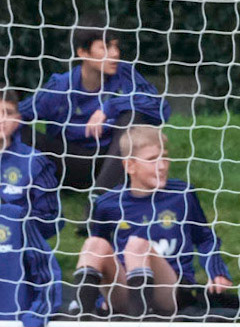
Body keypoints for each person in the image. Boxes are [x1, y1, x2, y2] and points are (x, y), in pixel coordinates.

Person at [72, 126, 231, 318]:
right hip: (126, 289)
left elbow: (205, 238)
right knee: (94, 244)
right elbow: (101, 254)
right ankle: (81, 321)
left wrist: (216, 271)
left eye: (164, 157)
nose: (162, 166)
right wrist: (101, 299)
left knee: (137, 246)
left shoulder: (181, 195)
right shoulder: (108, 204)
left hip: (172, 291)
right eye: (152, 159)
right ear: (130, 166)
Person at [18, 14, 170, 193]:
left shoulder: (124, 74)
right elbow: (17, 114)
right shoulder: (60, 86)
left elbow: (161, 108)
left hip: (111, 164)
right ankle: (19, 188)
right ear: (83, 52)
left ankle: (100, 198)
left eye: (116, 46)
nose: (115, 53)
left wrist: (111, 107)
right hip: (67, 163)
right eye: (105, 47)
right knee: (16, 129)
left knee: (132, 116)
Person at [0, 89, 62, 326]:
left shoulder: (33, 161)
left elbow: (53, 217)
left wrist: (17, 225)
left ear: (18, 120)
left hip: (19, 251)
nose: (2, 120)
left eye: (7, 113)